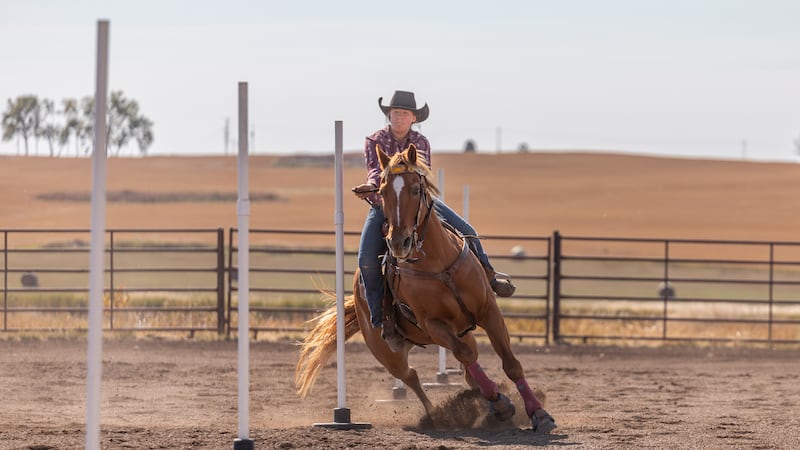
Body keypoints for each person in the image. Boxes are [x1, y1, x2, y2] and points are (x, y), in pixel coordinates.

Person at [353, 90, 516, 350]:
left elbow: (422, 175)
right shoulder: (375, 140)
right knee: (366, 261)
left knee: (466, 230)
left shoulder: (420, 142)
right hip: (384, 203)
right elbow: (375, 170)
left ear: (413, 118)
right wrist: (373, 186)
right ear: (389, 115)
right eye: (395, 113)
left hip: (419, 203)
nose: (399, 117)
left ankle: (490, 277)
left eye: (404, 114)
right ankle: (382, 319)